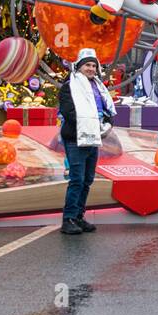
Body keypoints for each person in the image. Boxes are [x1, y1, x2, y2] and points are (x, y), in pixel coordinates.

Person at [57, 48, 115, 236]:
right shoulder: (69, 86)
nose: (91, 69)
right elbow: (68, 111)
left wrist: (106, 123)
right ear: (79, 67)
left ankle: (79, 216)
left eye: (93, 65)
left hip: (94, 137)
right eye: (87, 65)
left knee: (87, 180)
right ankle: (69, 219)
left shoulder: (98, 87)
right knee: (77, 179)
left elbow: (106, 109)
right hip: (76, 137)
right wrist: (90, 125)